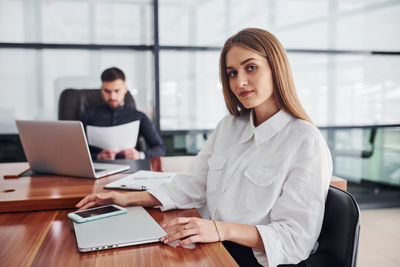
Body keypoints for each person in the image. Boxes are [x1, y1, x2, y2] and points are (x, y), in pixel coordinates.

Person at [76, 28, 332, 267]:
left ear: (276, 68)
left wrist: (221, 229)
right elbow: (192, 184)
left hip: (254, 257)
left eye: (250, 67)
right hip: (214, 242)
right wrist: (126, 198)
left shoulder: (305, 141)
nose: (239, 82)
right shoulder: (230, 126)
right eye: (232, 73)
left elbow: (296, 238)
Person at [80, 67, 166, 160]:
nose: (112, 96)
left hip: (131, 168)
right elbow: (76, 151)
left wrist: (140, 155)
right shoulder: (88, 117)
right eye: (107, 91)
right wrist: (97, 156)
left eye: (117, 91)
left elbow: (160, 149)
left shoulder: (139, 117)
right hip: (98, 168)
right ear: (102, 90)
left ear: (125, 89)